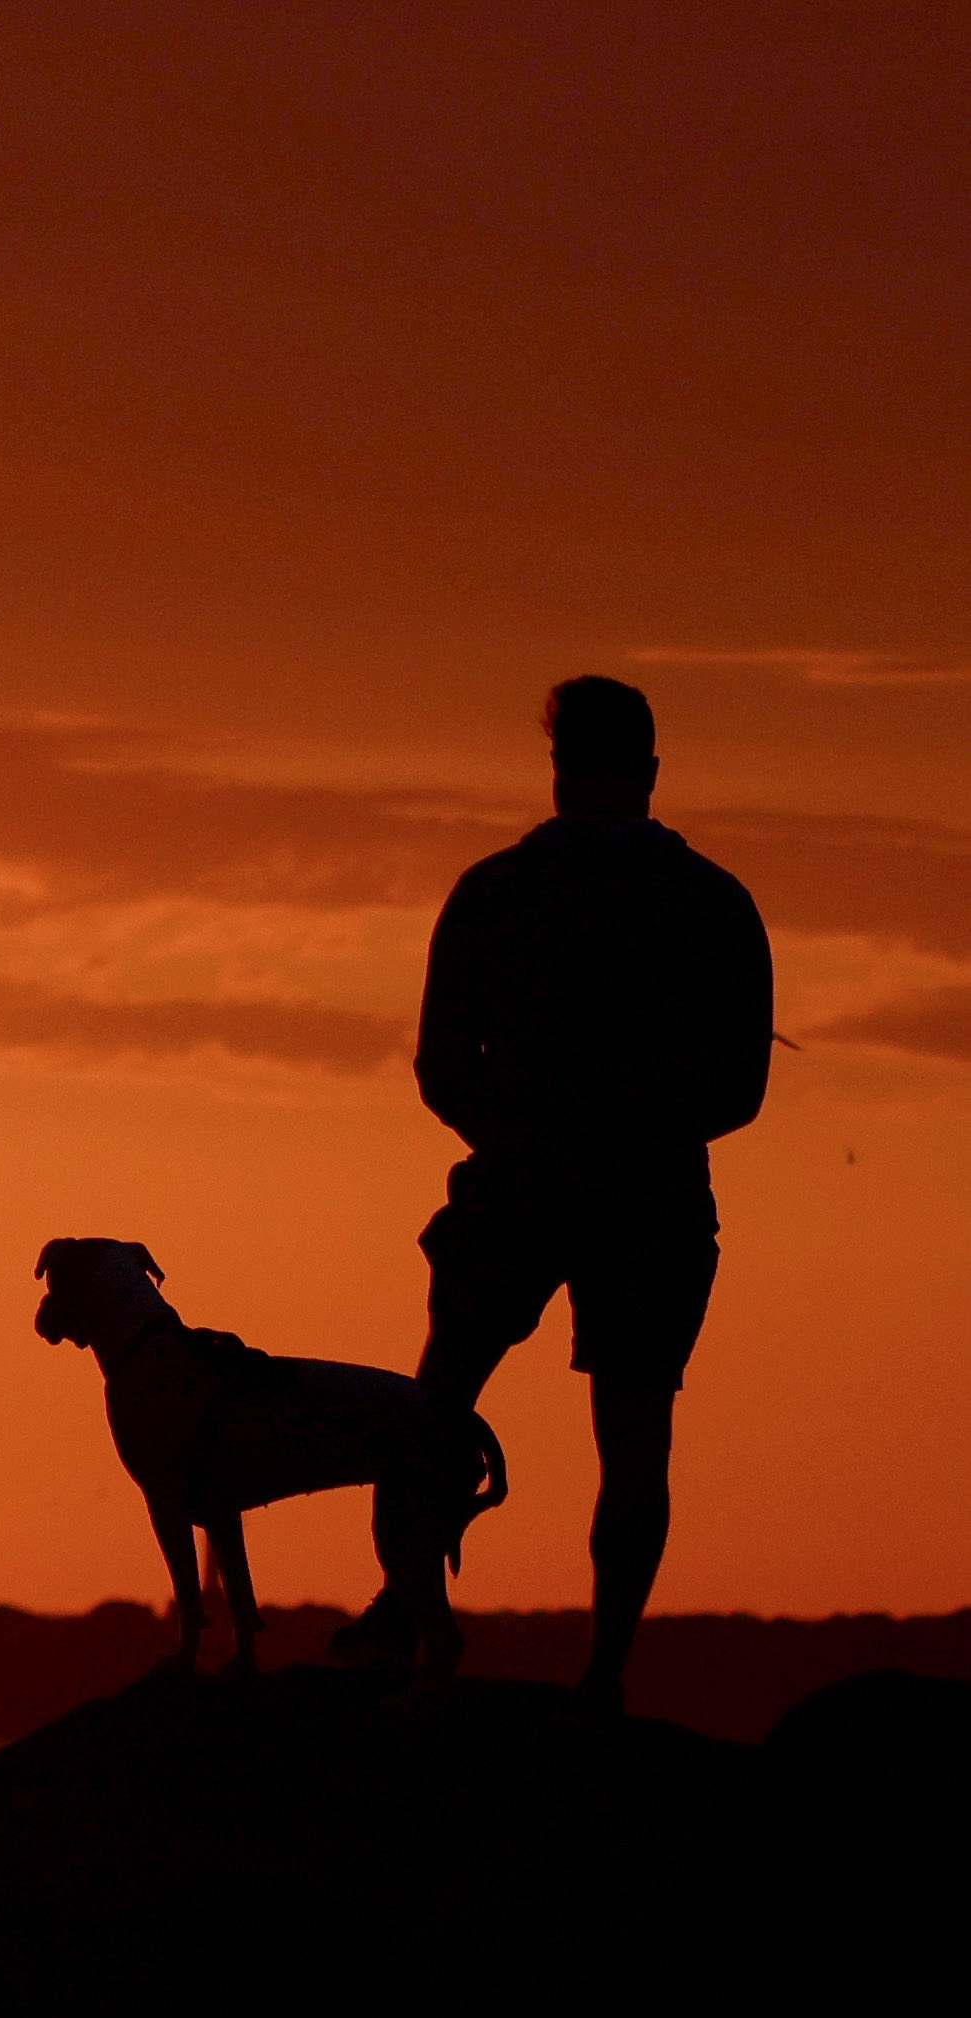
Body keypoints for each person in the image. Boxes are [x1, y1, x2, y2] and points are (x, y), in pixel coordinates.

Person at [348, 677, 773, 1707]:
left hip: (517, 1182)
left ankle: (401, 1610)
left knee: (434, 1404)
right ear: (650, 771)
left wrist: (516, 1131)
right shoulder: (713, 903)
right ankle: (603, 1672)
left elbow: (440, 1067)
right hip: (653, 1195)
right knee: (633, 1438)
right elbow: (738, 1089)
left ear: (555, 770)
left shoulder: (493, 892)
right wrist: (644, 1130)